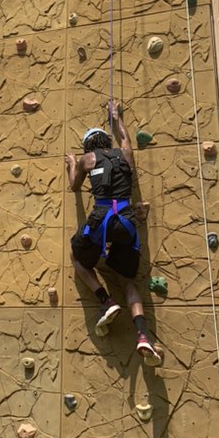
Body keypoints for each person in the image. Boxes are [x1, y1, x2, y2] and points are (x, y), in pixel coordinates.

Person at [65, 101, 161, 364]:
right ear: (106, 140)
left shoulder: (88, 159)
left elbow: (74, 187)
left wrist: (72, 164)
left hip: (101, 219)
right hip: (127, 220)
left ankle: (105, 300)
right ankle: (142, 335)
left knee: (76, 256)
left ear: (88, 147)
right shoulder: (125, 153)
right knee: (129, 281)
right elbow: (125, 136)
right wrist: (115, 116)